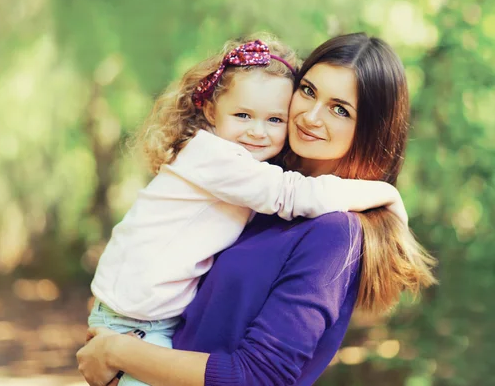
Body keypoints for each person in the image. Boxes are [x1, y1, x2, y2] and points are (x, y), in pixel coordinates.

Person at [76, 32, 438, 386]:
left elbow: (258, 377)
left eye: (340, 109)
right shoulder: (253, 188)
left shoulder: (335, 232)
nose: (311, 116)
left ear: (369, 131)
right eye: (308, 90)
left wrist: (117, 353)